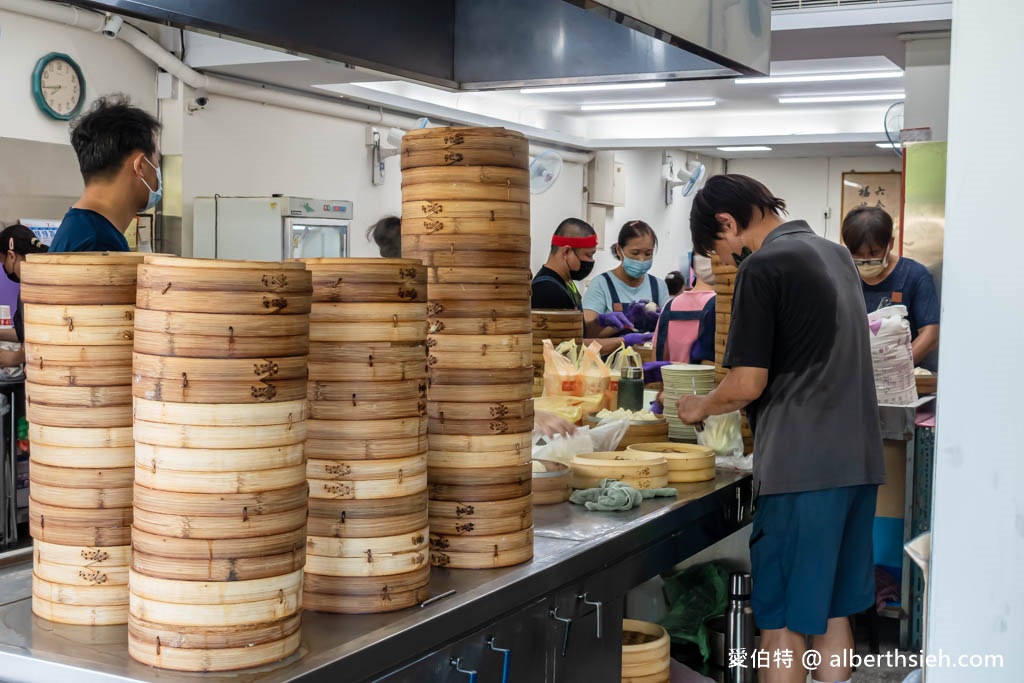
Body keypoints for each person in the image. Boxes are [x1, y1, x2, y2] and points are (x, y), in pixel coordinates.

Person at [677, 174, 884, 683]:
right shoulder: (836, 255)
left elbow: (747, 382)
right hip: (858, 463)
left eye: (718, 247)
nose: (725, 260)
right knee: (833, 613)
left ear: (727, 222)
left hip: (801, 471)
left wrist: (701, 406)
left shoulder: (763, 266)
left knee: (782, 623)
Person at [49, 95, 162, 253]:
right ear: (140, 166)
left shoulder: (82, 229)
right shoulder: (99, 244)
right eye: (156, 159)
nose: (157, 170)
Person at [841, 206, 940, 370]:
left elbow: (931, 334)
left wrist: (893, 368)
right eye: (857, 254)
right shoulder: (842, 276)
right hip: (855, 376)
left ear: (890, 243)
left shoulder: (915, 275)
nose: (866, 260)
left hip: (905, 377)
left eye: (874, 253)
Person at [531, 218, 650, 352]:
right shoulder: (548, 290)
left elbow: (578, 333)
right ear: (566, 252)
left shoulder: (567, 284)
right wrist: (624, 341)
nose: (591, 261)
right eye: (588, 255)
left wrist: (600, 323)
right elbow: (570, 347)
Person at [582, 220, 668, 339]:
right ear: (619, 250)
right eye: (635, 253)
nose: (642, 259)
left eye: (648, 254)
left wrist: (660, 322)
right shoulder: (601, 284)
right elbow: (588, 333)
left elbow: (669, 331)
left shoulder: (659, 286)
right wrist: (626, 321)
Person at [0, 224, 50, 366]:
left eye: (3, 262)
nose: (4, 268)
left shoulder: (39, 286)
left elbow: (47, 335)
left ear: (11, 256)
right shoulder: (31, 283)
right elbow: (25, 331)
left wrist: (16, 357)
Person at [653, 254, 716, 365]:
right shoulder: (721, 306)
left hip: (672, 381)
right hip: (707, 381)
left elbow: (656, 360)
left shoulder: (669, 305)